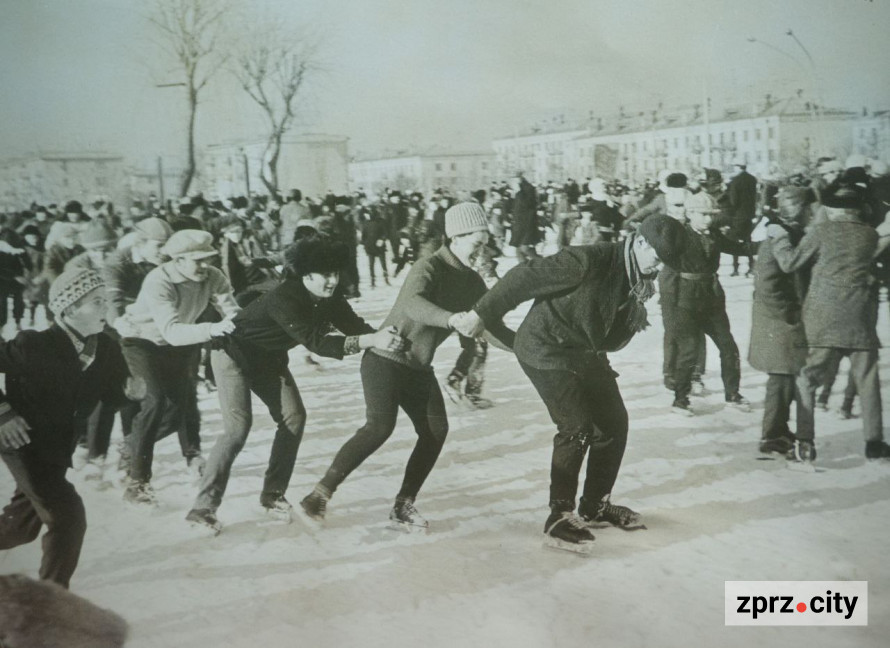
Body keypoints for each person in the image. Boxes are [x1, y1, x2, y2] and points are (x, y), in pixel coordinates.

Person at [462, 214, 685, 552]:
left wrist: (632, 311)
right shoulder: (587, 261)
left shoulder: (636, 276)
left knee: (613, 422)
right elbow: (523, 276)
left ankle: (595, 505)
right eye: (657, 258)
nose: (659, 268)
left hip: (583, 350)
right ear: (640, 242)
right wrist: (480, 314)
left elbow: (605, 332)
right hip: (546, 348)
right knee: (576, 425)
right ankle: (558, 517)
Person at [300, 202, 514, 529]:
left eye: (486, 243)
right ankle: (318, 495)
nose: (482, 251)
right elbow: (414, 305)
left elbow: (487, 326)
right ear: (455, 237)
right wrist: (450, 318)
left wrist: (525, 349)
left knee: (435, 431)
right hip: (384, 361)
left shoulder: (472, 283)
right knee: (379, 428)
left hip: (418, 368)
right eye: (476, 243)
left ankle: (403, 504)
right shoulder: (427, 266)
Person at [185, 236, 408, 533]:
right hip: (232, 355)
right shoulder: (284, 297)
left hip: (268, 359)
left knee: (294, 417)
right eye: (324, 275)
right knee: (237, 429)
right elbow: (318, 343)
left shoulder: (331, 298)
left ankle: (272, 494)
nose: (332, 281)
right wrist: (371, 341)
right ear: (306, 275)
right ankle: (202, 508)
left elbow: (356, 328)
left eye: (335, 273)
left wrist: (389, 339)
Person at [0, 268, 139, 588]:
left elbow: (115, 394)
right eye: (96, 302)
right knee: (67, 517)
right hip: (22, 443)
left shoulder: (106, 347)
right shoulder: (33, 344)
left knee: (20, 528)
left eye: (106, 300)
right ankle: (49, 606)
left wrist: (132, 391)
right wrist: (3, 413)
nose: (106, 307)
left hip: (57, 448)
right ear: (69, 308)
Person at [768, 179, 890, 464]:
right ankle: (874, 443)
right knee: (868, 381)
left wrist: (779, 237)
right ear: (858, 210)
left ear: (831, 209)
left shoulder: (821, 232)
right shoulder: (869, 235)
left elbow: (790, 263)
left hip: (823, 320)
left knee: (807, 380)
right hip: (860, 319)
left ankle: (806, 443)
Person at [113, 230, 239, 505]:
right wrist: (214, 329)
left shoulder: (212, 275)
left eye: (208, 259)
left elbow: (232, 310)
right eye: (198, 260)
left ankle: (131, 445)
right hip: (142, 342)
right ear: (178, 260)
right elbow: (170, 331)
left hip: (181, 344)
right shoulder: (159, 280)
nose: (205, 266)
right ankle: (138, 482)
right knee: (155, 402)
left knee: (179, 408)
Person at [663, 191, 752, 415]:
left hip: (712, 299)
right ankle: (680, 400)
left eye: (711, 215)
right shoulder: (679, 235)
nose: (708, 219)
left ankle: (733, 394)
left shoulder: (713, 235)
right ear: (690, 213)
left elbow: (739, 249)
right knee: (689, 350)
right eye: (703, 214)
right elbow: (665, 271)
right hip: (685, 300)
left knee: (728, 347)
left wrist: (768, 243)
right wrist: (670, 307)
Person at [748, 186, 809, 455]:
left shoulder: (786, 232)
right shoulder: (780, 237)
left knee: (785, 378)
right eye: (808, 208)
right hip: (778, 319)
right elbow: (768, 284)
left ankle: (778, 430)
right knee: (780, 379)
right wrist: (789, 312)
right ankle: (771, 437)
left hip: (780, 318)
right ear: (798, 208)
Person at [726, 159, 758, 276]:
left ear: (739, 167)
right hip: (749, 215)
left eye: (735, 166)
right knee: (747, 240)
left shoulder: (736, 181)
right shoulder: (752, 179)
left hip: (738, 216)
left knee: (735, 242)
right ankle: (751, 267)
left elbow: (733, 201)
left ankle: (736, 269)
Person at [508, 175, 541, 263]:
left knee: (524, 249)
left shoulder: (528, 189)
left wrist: (519, 192)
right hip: (519, 225)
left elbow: (528, 205)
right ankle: (524, 271)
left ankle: (545, 264)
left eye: (513, 180)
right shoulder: (520, 191)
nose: (511, 183)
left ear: (518, 179)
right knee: (519, 251)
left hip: (527, 225)